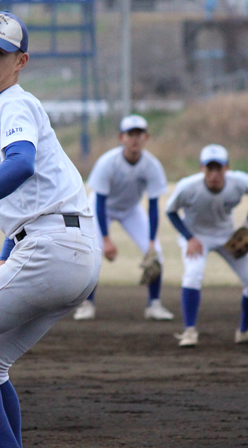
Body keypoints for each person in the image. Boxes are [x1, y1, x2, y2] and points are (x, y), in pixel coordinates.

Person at [0, 11, 101, 448]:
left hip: (53, 249)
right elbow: (37, 188)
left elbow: (22, 164)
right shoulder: (4, 108)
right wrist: (8, 250)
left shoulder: (12, 104)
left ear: (20, 61)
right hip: (71, 251)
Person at [165, 144, 248, 348]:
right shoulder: (188, 186)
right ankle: (189, 332)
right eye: (210, 168)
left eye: (219, 168)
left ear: (227, 167)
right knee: (193, 275)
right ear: (202, 168)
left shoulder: (238, 181)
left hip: (227, 235)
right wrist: (189, 237)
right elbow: (171, 212)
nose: (214, 173)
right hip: (196, 236)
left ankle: (245, 331)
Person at [73, 114, 174, 321]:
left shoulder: (152, 166)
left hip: (130, 210)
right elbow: (99, 202)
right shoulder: (108, 162)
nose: (135, 139)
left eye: (139, 134)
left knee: (156, 255)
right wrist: (107, 239)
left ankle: (154, 305)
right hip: (102, 208)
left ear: (147, 138)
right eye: (131, 134)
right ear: (121, 138)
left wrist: (152, 242)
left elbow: (154, 206)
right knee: (93, 252)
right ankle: (87, 304)